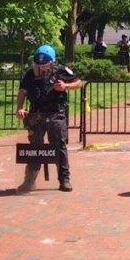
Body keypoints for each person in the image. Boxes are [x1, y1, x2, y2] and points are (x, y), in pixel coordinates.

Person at [15, 44, 82, 193]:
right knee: (34, 148)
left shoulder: (61, 71)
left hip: (56, 113)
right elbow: (22, 91)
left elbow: (79, 82)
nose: (41, 68)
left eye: (44, 65)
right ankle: (29, 181)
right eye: (38, 65)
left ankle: (64, 180)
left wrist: (65, 86)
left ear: (51, 62)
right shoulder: (29, 74)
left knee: (59, 146)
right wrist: (19, 107)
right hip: (36, 114)